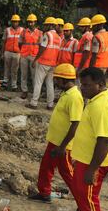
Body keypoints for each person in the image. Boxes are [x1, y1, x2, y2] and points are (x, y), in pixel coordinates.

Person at [70, 67, 108, 211]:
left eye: (87, 85)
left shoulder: (101, 106)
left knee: (89, 200)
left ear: (100, 84)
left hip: (93, 163)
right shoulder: (96, 100)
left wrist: (92, 169)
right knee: (85, 199)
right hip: (87, 160)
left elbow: (104, 140)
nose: (83, 89)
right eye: (81, 85)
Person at [30, 64, 83, 203]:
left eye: (57, 80)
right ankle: (44, 193)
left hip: (63, 145)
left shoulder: (74, 97)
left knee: (68, 174)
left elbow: (75, 124)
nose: (56, 82)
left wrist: (62, 146)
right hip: (55, 141)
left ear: (64, 80)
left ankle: (83, 202)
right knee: (46, 167)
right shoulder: (66, 94)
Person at [29, 16, 62, 109]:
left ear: (50, 25)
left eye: (46, 25)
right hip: (53, 64)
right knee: (50, 84)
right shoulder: (59, 38)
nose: (45, 27)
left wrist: (35, 60)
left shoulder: (47, 35)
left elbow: (42, 48)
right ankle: (50, 104)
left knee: (38, 82)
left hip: (44, 62)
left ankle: (34, 103)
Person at [19, 14, 41, 99]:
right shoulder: (24, 32)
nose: (30, 24)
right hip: (24, 55)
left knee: (34, 75)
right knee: (23, 74)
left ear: (35, 22)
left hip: (34, 56)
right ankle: (24, 91)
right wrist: (22, 51)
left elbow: (41, 46)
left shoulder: (39, 33)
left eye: (32, 22)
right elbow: (20, 43)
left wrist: (37, 57)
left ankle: (35, 92)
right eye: (29, 22)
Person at [0, 14, 23, 90]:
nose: (15, 23)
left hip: (17, 53)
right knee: (6, 68)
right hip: (8, 52)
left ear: (18, 22)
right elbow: (4, 42)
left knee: (15, 70)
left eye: (16, 21)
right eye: (13, 21)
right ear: (11, 22)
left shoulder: (22, 30)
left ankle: (14, 85)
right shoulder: (7, 30)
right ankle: (5, 83)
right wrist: (2, 53)